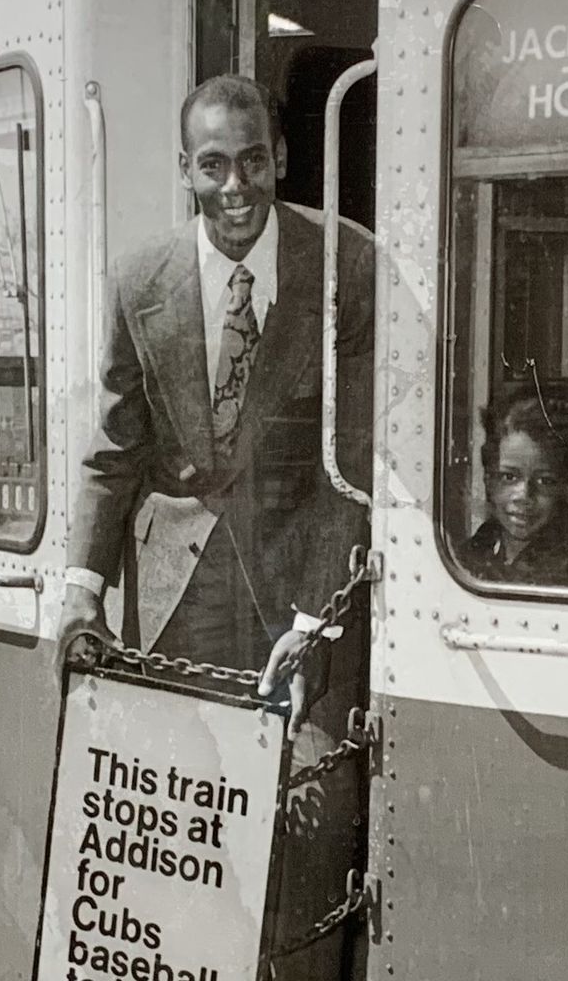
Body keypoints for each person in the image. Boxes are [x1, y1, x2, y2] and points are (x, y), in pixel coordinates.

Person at [58, 74, 373, 981]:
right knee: (183, 839)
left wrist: (316, 622)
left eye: (251, 161)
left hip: (298, 593)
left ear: (280, 159)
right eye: (212, 166)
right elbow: (115, 450)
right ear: (185, 171)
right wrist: (81, 593)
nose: (234, 187)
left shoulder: (344, 265)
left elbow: (360, 466)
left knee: (304, 832)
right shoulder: (140, 279)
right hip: (176, 600)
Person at [457, 391, 568, 587]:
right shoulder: (480, 547)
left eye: (544, 481)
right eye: (509, 477)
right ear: (488, 479)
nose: (523, 495)